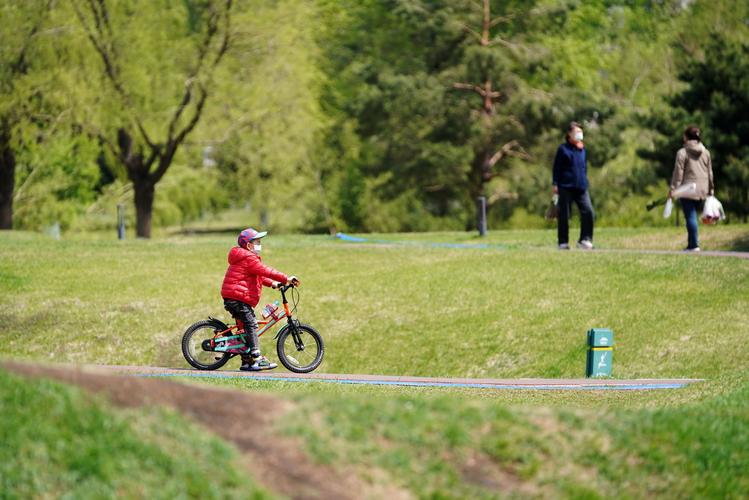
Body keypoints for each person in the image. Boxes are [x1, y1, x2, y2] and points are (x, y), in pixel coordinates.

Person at [221, 227, 299, 371]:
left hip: (234, 296)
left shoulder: (243, 257)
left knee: (243, 330)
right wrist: (286, 278)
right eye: (257, 241)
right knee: (251, 324)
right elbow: (265, 270)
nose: (259, 244)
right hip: (238, 297)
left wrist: (273, 284)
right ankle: (256, 357)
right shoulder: (249, 258)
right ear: (249, 245)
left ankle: (247, 361)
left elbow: (259, 276)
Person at [669, 125, 714, 252]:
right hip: (703, 189)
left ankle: (694, 245)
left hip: (688, 189)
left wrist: (673, 189)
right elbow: (710, 173)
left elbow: (678, 173)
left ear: (686, 137)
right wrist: (711, 190)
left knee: (690, 216)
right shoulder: (706, 153)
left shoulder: (682, 152)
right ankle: (691, 245)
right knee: (692, 216)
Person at [552, 121, 595, 250]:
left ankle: (585, 240)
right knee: (564, 215)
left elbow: (583, 167)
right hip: (565, 186)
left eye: (580, 131)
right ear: (569, 134)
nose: (579, 134)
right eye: (576, 132)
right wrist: (555, 184)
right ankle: (563, 242)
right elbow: (556, 168)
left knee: (588, 212)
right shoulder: (563, 149)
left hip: (581, 187)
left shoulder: (582, 149)